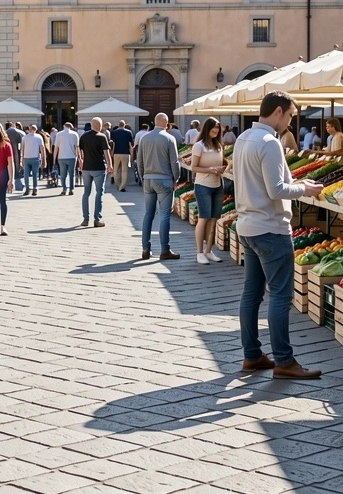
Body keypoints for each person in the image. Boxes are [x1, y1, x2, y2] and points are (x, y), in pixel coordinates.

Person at [234, 92, 324, 380]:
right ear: (277, 112)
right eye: (289, 116)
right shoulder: (270, 142)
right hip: (270, 228)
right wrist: (305, 190)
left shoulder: (242, 139)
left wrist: (297, 183)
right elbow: (276, 190)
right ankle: (284, 360)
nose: (289, 122)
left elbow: (263, 183)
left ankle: (252, 355)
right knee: (281, 296)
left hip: (247, 225)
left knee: (251, 294)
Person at [184, 118, 230, 264]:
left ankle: (209, 251)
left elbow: (220, 162)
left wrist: (226, 166)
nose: (216, 132)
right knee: (204, 218)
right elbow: (194, 167)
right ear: (207, 129)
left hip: (218, 184)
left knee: (214, 219)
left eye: (217, 130)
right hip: (203, 185)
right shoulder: (199, 146)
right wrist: (209, 170)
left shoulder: (219, 146)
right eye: (213, 129)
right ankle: (199, 252)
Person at [138, 113, 181, 260]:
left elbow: (139, 161)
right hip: (164, 179)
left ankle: (145, 248)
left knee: (148, 214)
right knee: (164, 215)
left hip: (148, 179)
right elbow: (175, 163)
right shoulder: (169, 138)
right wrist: (176, 178)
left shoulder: (145, 138)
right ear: (167, 123)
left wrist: (143, 176)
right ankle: (165, 249)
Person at [78, 117, 110, 228]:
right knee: (99, 192)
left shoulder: (84, 136)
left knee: (86, 192)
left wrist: (81, 161)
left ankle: (85, 219)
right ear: (100, 126)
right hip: (99, 168)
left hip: (86, 168)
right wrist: (110, 165)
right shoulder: (102, 137)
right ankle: (97, 219)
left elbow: (80, 150)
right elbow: (106, 153)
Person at [54, 122, 79, 195]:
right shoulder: (75, 134)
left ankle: (64, 189)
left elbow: (56, 147)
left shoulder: (59, 134)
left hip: (61, 156)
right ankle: (71, 189)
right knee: (72, 174)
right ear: (71, 127)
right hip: (72, 156)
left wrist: (54, 158)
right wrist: (79, 157)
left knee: (63, 174)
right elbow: (77, 147)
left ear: (63, 126)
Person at [110, 121, 135, 191]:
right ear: (124, 125)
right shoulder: (128, 132)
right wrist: (132, 154)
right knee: (124, 171)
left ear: (119, 125)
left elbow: (113, 144)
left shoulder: (114, 132)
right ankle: (122, 186)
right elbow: (130, 144)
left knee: (115, 170)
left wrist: (112, 153)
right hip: (125, 153)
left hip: (116, 152)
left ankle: (118, 184)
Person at [20, 125, 45, 196]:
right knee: (35, 174)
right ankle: (35, 188)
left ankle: (27, 189)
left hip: (26, 158)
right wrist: (43, 159)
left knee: (26, 175)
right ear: (36, 130)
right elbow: (42, 149)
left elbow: (22, 149)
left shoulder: (24, 138)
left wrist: (21, 160)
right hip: (35, 158)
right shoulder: (39, 137)